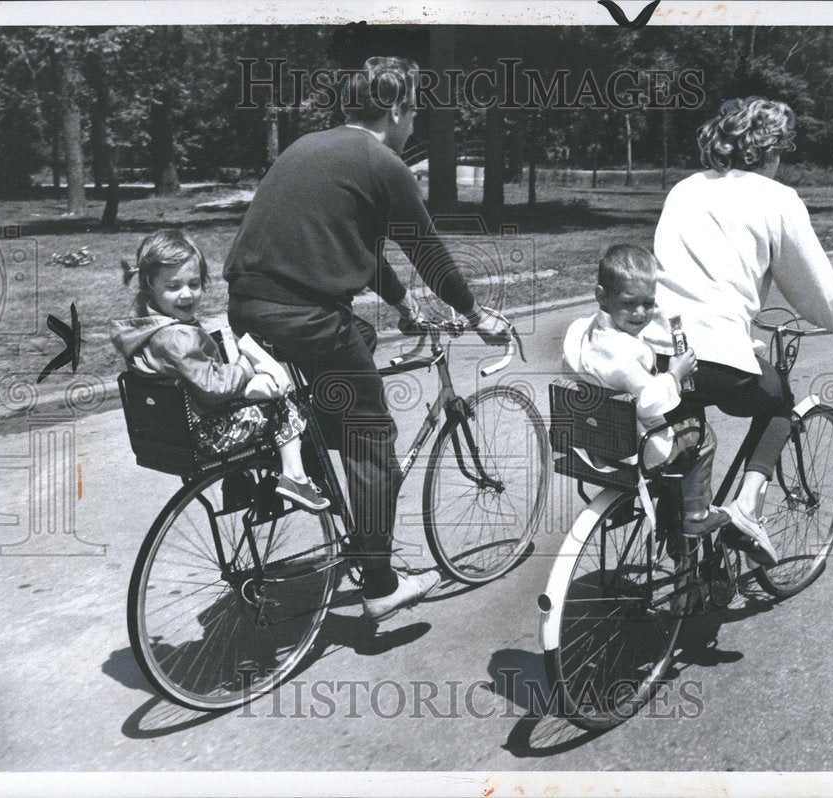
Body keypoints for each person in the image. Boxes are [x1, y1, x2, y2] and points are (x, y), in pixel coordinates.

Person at [223, 56, 511, 621]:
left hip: (247, 307)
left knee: (358, 335)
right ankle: (379, 581)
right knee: (373, 434)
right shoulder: (384, 163)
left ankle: (303, 459)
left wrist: (403, 306)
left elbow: (362, 246)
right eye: (414, 113)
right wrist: (476, 314)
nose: (414, 126)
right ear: (397, 110)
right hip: (304, 316)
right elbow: (428, 252)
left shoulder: (309, 145)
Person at [641, 97, 833, 566]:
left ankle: (684, 556)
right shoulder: (776, 199)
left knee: (686, 438)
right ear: (767, 150)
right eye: (782, 149)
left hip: (660, 351)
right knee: (780, 402)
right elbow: (811, 287)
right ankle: (747, 507)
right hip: (718, 355)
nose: (781, 160)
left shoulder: (684, 189)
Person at [110, 230, 329, 512]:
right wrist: (245, 367)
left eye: (194, 283)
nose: (187, 294)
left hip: (180, 430)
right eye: (174, 286)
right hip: (208, 434)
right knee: (285, 404)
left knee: (255, 396)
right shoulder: (177, 337)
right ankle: (295, 477)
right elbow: (215, 388)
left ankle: (239, 484)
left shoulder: (145, 328)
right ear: (150, 284)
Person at [563, 244, 730, 539]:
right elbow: (651, 402)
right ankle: (696, 514)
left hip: (597, 442)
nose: (640, 313)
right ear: (603, 296)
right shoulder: (625, 353)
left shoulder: (584, 332)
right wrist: (675, 374)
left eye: (648, 304)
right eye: (629, 303)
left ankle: (629, 503)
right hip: (637, 445)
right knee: (701, 433)